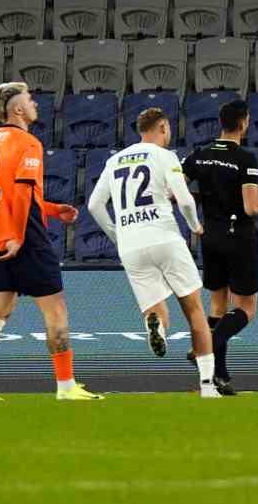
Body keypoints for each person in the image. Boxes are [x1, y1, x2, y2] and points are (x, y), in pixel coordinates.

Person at [0, 82, 101, 401]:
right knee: (56, 310)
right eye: (30, 100)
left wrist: (51, 210)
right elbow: (22, 195)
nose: (35, 104)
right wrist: (18, 236)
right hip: (24, 237)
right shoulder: (29, 143)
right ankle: (66, 387)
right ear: (18, 110)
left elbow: (4, 193)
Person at [87, 108, 222, 398]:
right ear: (162, 127)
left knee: (155, 308)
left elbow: (94, 206)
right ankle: (208, 385)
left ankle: (157, 326)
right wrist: (195, 225)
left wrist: (116, 234)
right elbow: (184, 199)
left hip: (131, 245)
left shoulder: (114, 161)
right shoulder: (165, 156)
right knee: (195, 309)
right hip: (164, 236)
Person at [182, 99, 258, 394]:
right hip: (239, 236)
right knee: (246, 307)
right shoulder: (246, 158)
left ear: (221, 123)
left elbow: (176, 191)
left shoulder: (201, 155)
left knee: (217, 305)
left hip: (211, 234)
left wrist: (199, 203)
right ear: (243, 123)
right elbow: (251, 207)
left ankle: (219, 375)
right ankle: (202, 350)